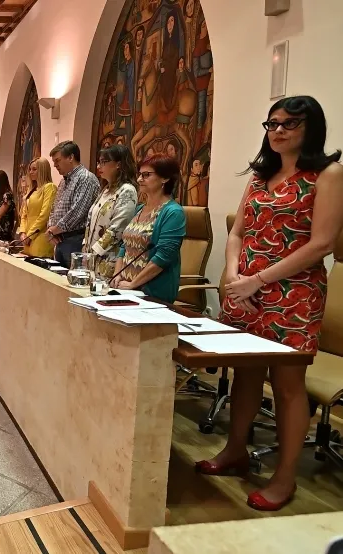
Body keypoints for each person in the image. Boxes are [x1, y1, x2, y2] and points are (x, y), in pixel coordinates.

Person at [198, 96, 343, 511]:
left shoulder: (328, 174)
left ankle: (285, 478)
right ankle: (235, 451)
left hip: (293, 295)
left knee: (286, 386)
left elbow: (323, 243)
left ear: (310, 127)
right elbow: (238, 231)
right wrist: (231, 275)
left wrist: (256, 280)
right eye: (272, 123)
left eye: (289, 124)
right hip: (246, 290)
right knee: (245, 374)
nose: (278, 131)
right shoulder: (261, 175)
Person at [111, 155, 185, 302]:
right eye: (140, 174)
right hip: (125, 289)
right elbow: (123, 246)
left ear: (165, 178)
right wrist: (117, 274)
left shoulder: (173, 213)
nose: (139, 179)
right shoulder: (139, 209)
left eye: (146, 175)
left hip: (151, 294)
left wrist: (133, 284)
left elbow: (163, 257)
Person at [84, 145, 139, 279]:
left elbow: (117, 229)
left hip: (109, 260)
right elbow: (90, 222)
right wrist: (85, 249)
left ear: (118, 164)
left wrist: (94, 252)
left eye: (104, 162)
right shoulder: (106, 190)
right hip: (91, 257)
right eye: (99, 162)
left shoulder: (127, 190)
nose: (99, 166)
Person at [47, 141, 101, 265]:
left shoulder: (86, 178)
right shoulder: (63, 181)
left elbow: (78, 212)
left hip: (76, 239)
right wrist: (51, 229)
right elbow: (54, 208)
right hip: (59, 238)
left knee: (71, 279)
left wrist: (54, 230)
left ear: (71, 157)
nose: (55, 165)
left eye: (57, 160)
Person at [17, 158, 57, 257]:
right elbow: (24, 215)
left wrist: (30, 235)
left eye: (34, 169)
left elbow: (44, 214)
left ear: (43, 170)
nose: (31, 172)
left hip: (39, 236)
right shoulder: (31, 190)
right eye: (30, 169)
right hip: (27, 237)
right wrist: (22, 232)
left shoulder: (49, 187)